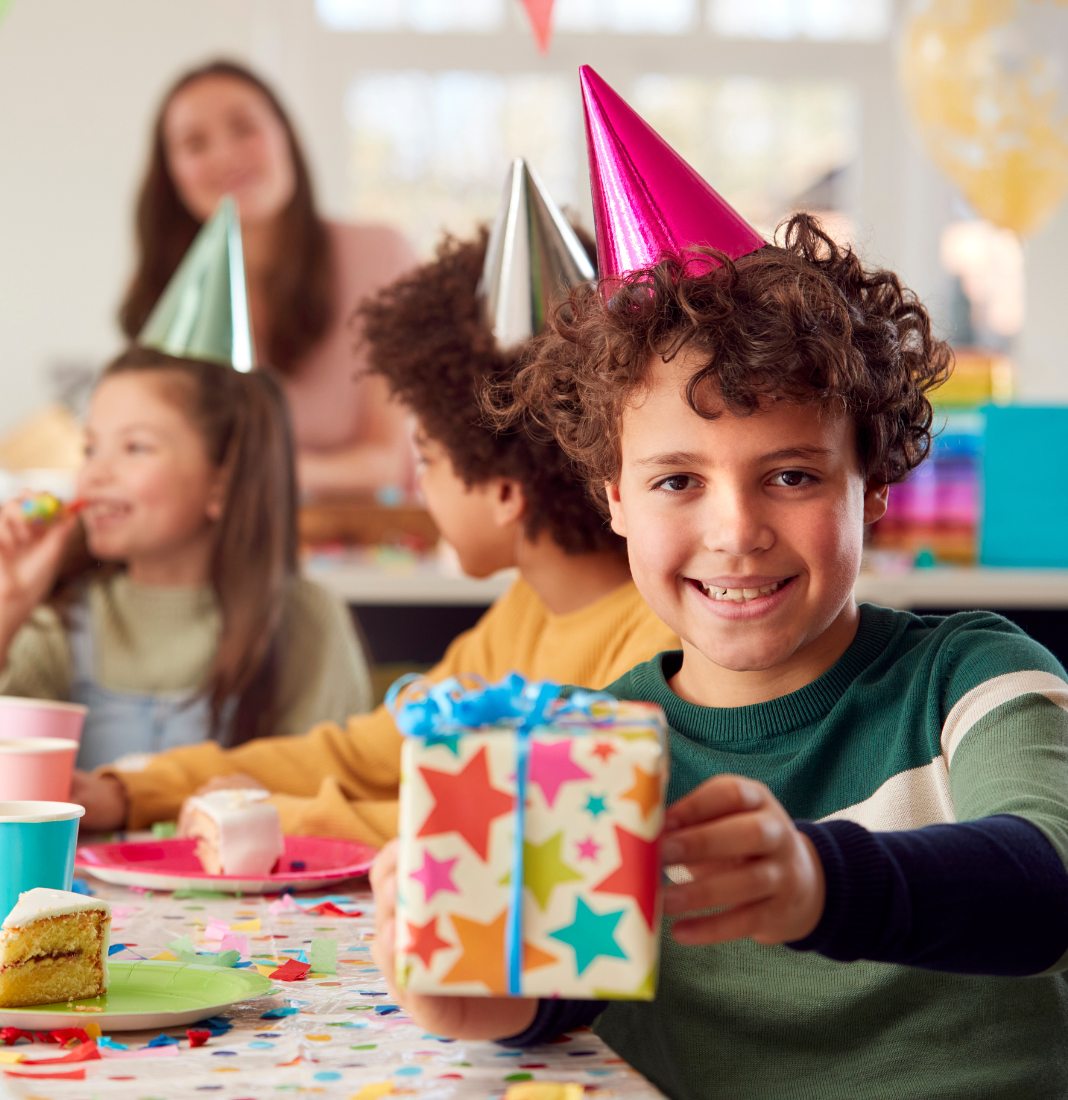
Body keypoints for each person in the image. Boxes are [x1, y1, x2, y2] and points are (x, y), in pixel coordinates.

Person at [372, 67, 1068, 1100]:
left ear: (870, 487)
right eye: (676, 480)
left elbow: (1044, 876)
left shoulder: (973, 677)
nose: (734, 529)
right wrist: (491, 1001)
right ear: (613, 497)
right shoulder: (597, 741)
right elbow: (567, 982)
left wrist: (816, 881)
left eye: (790, 474)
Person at [71, 161, 678, 844]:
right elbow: (367, 755)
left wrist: (285, 820)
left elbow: (530, 829)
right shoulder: (528, 614)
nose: (417, 485)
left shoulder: (654, 645)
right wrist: (138, 789)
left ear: (505, 491)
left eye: (426, 459)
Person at [0, 200, 370, 786]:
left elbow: (327, 794)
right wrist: (2, 606)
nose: (94, 475)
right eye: (90, 448)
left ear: (225, 479)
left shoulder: (305, 625)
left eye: (135, 448)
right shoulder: (62, 622)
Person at [120, 59, 415, 497]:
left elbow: (389, 462)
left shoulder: (381, 255)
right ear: (171, 174)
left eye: (243, 128)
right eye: (195, 143)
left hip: (370, 543)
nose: (224, 156)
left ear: (286, 137)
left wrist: (241, 474)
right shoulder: (166, 295)